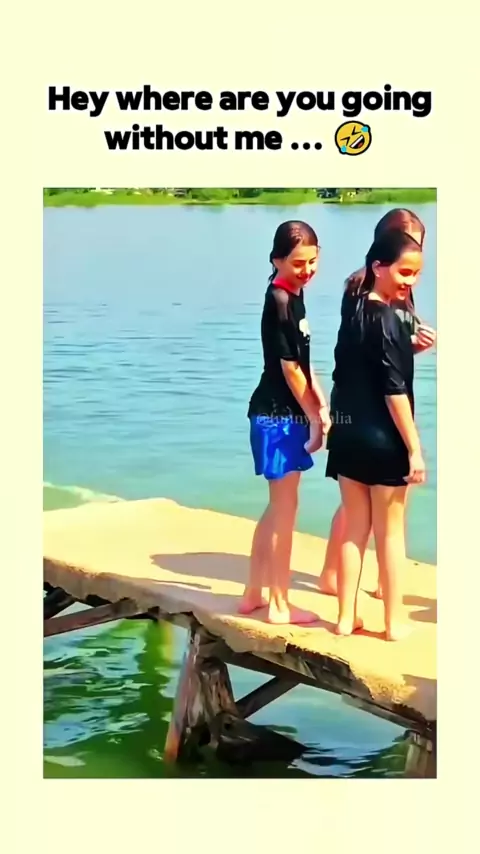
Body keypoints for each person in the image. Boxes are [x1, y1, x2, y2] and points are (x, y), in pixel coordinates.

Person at [319, 209, 436, 599]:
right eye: (410, 241)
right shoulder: (362, 288)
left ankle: (363, 582)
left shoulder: (394, 286)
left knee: (365, 503)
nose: (416, 252)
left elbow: (384, 353)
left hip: (370, 402)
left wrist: (412, 345)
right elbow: (368, 357)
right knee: (368, 503)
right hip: (371, 408)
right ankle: (341, 576)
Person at [239, 220, 331, 625]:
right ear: (277, 260)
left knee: (278, 507)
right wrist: (314, 418)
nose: (307, 270)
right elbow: (290, 369)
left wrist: (322, 406)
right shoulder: (279, 299)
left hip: (287, 414)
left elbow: (306, 364)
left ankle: (253, 593)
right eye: (298, 263)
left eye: (313, 261)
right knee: (285, 511)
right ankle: (279, 604)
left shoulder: (295, 294)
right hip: (277, 417)